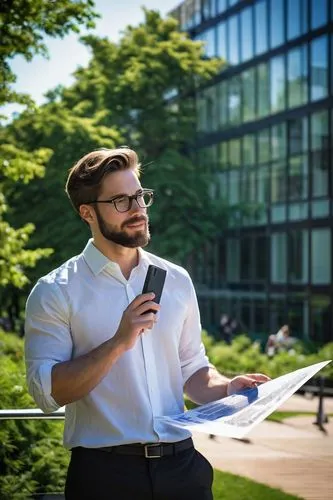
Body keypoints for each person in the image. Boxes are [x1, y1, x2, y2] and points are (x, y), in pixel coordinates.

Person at [24, 147, 270, 500]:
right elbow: (49, 394)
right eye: (121, 201)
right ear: (87, 212)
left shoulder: (177, 279)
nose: (138, 209)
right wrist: (118, 343)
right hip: (105, 476)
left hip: (184, 469)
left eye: (140, 196)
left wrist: (229, 387)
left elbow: (192, 369)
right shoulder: (55, 291)